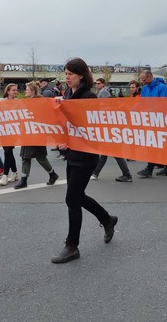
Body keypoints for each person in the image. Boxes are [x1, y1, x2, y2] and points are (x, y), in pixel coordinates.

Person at [52, 58, 118, 264]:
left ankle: (72, 246)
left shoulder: (89, 97)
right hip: (72, 154)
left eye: (70, 74)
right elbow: (67, 125)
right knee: (78, 196)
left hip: (86, 155)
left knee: (72, 199)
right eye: (65, 74)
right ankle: (107, 219)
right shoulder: (67, 95)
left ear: (81, 75)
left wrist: (70, 139)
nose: (67, 77)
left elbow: (89, 129)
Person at [14, 81, 59, 189]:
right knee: (27, 156)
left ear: (33, 91)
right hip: (28, 132)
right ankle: (25, 179)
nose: (25, 91)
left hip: (36, 133)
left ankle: (51, 174)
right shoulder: (27, 101)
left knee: (38, 156)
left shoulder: (40, 102)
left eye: (27, 89)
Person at [91, 78, 132, 183]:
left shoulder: (104, 92)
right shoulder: (105, 93)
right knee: (106, 152)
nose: (97, 85)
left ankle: (127, 174)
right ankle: (96, 172)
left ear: (103, 84)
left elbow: (103, 108)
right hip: (110, 128)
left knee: (115, 152)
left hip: (110, 128)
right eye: (96, 83)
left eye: (99, 83)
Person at [136, 70, 167, 177]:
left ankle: (150, 169)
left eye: (144, 80)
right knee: (158, 144)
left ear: (150, 76)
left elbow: (165, 104)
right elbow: (141, 103)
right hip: (150, 120)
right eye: (141, 80)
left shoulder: (161, 87)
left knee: (155, 144)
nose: (143, 82)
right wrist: (130, 110)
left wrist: (150, 109)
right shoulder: (145, 88)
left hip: (160, 120)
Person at [0, 83, 19, 186]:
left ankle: (5, 175)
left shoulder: (18, 102)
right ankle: (14, 172)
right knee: (8, 152)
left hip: (13, 130)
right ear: (8, 91)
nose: (15, 92)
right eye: (13, 90)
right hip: (3, 130)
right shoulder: (1, 101)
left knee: (7, 151)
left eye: (16, 90)